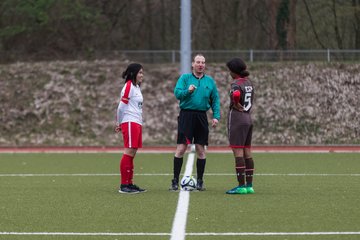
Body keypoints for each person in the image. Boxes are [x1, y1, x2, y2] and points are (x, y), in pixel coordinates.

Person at [169, 54, 221, 191]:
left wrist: (216, 116)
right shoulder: (185, 78)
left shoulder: (209, 81)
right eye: (198, 62)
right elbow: (177, 94)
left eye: (203, 62)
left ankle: (200, 181)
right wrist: (188, 91)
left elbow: (215, 100)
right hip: (186, 115)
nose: (200, 65)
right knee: (181, 148)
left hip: (201, 117)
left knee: (201, 150)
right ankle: (174, 181)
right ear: (193, 64)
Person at [225, 57, 255, 195]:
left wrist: (236, 103)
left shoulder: (236, 83)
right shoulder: (248, 82)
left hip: (237, 118)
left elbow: (236, 93)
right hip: (248, 117)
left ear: (234, 71)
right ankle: (249, 185)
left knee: (238, 152)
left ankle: (241, 186)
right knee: (247, 152)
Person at [115, 63, 146, 194]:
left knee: (132, 152)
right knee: (128, 151)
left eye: (142, 72)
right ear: (133, 73)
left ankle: (130, 183)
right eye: (140, 72)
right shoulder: (128, 86)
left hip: (136, 122)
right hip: (129, 121)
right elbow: (121, 106)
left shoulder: (136, 87)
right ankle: (124, 185)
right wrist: (119, 122)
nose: (142, 75)